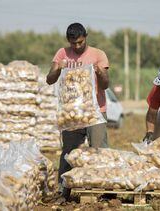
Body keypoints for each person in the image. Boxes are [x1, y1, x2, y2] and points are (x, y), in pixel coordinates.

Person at [46, 23, 110, 200]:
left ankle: (103, 190)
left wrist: (99, 73)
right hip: (71, 113)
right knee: (69, 152)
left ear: (86, 37)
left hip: (95, 111)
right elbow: (50, 80)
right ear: (68, 41)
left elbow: (105, 85)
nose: (77, 46)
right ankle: (63, 190)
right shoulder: (62, 54)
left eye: (80, 42)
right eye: (73, 43)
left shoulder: (98, 55)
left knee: (99, 151)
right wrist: (58, 67)